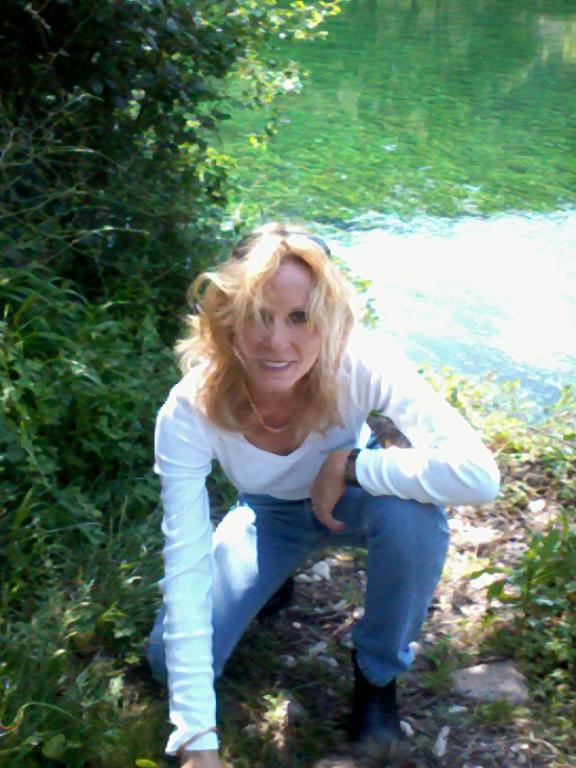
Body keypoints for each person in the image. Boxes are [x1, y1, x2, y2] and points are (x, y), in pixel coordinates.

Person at [147, 223, 500, 767]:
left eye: (300, 317)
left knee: (410, 517)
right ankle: (275, 579)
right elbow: (185, 566)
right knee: (164, 662)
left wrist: (355, 465)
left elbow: (479, 476)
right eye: (257, 314)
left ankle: (376, 679)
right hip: (269, 514)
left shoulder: (362, 362)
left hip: (356, 499)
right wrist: (197, 740)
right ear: (227, 315)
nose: (276, 342)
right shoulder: (188, 410)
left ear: (331, 319)